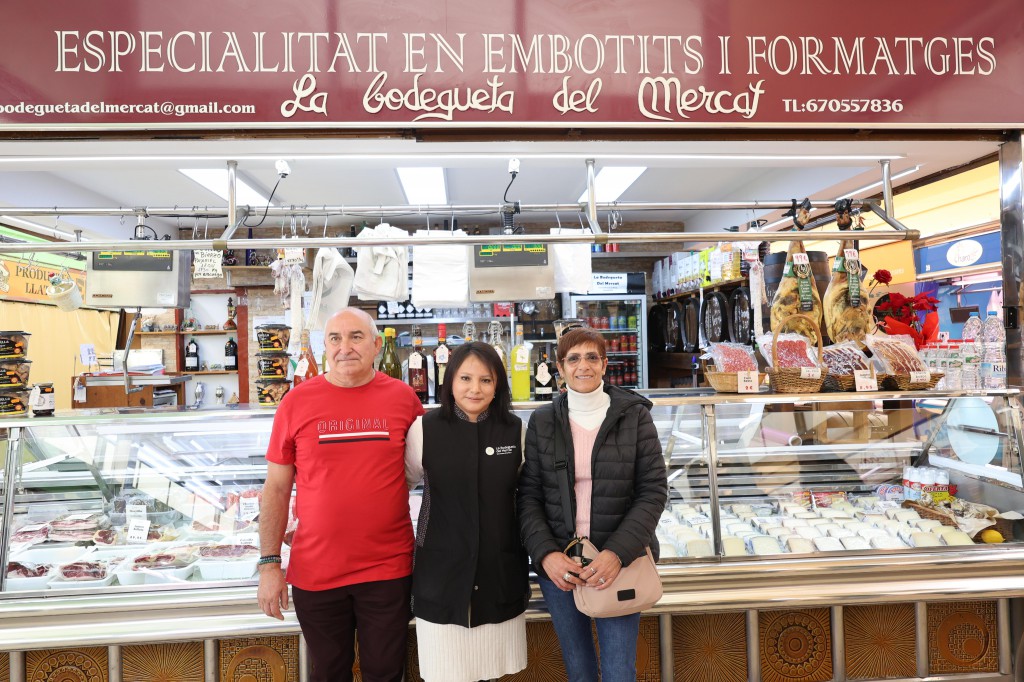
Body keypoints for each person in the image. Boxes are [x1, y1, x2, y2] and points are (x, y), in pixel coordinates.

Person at [258, 307, 425, 682]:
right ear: (324, 346)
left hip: (388, 569)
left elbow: (420, 473)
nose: (344, 347)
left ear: (377, 346)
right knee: (329, 672)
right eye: (335, 338)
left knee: (385, 673)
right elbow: (277, 488)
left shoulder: (404, 400)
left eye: (356, 337)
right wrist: (270, 565)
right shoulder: (296, 402)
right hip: (316, 572)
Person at [518, 327, 667, 682]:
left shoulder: (633, 415)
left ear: (604, 364)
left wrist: (616, 553)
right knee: (579, 669)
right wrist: (546, 555)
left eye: (591, 357)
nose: (582, 366)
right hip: (561, 567)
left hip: (616, 564)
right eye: (573, 358)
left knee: (619, 670)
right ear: (559, 367)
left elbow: (653, 490)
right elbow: (528, 496)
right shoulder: (542, 422)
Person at [405, 342, 529, 681]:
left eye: (486, 380)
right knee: (446, 672)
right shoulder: (424, 429)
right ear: (449, 382)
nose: (475, 389)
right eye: (465, 378)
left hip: (499, 573)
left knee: (492, 671)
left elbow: (527, 495)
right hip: (441, 575)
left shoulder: (514, 429)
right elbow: (401, 484)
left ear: (498, 385)